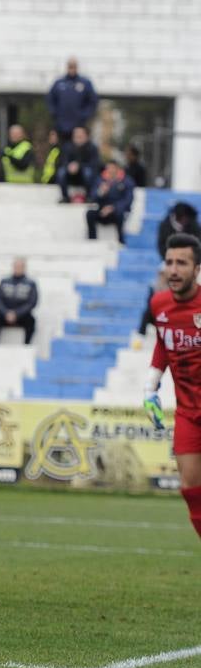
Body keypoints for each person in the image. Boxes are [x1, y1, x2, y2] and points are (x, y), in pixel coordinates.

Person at [142, 232, 201, 542]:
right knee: (191, 490)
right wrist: (151, 385)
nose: (174, 270)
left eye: (182, 263)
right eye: (169, 262)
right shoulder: (158, 304)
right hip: (188, 413)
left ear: (197, 269)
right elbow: (163, 345)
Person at [0, 258, 39, 344]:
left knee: (31, 321)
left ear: (24, 268)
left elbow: (32, 302)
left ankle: (26, 346)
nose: (18, 269)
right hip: (5, 314)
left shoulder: (31, 283)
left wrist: (16, 313)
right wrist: (6, 312)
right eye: (16, 266)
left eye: (20, 267)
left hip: (22, 315)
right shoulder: (4, 281)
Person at [47, 57, 98, 140]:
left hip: (78, 127)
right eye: (70, 66)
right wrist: (55, 113)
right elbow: (50, 99)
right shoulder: (59, 83)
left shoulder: (85, 83)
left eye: (74, 66)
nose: (72, 68)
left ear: (77, 67)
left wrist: (84, 115)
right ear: (67, 67)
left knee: (75, 151)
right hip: (61, 126)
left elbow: (93, 101)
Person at [85, 160, 134, 243]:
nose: (110, 170)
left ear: (117, 169)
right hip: (102, 210)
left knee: (120, 214)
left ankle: (121, 241)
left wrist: (113, 208)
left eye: (112, 168)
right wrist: (100, 192)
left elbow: (128, 200)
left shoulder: (126, 181)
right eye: (108, 168)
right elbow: (92, 197)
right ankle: (92, 240)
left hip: (116, 211)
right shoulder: (100, 180)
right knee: (90, 214)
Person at [56, 126, 100, 203]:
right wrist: (69, 166)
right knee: (61, 172)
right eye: (76, 135)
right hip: (70, 175)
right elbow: (62, 161)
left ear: (86, 136)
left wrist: (79, 166)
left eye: (80, 135)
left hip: (85, 175)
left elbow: (94, 164)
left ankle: (89, 196)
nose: (78, 137)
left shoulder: (92, 148)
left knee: (88, 172)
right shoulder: (67, 147)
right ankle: (65, 197)